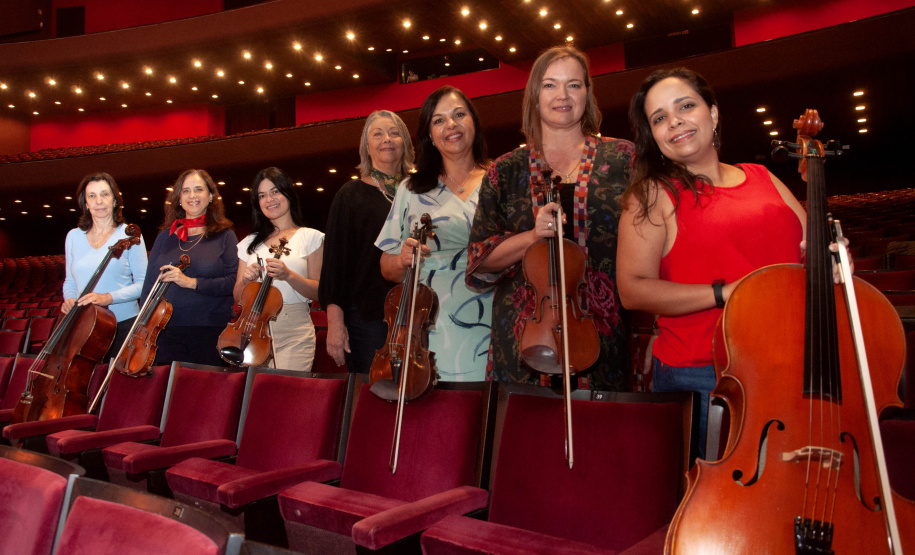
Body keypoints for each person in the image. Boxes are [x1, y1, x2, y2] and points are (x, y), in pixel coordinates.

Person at [616, 67, 806, 456]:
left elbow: (810, 250)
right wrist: (725, 293)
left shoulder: (763, 176)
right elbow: (632, 289)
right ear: (653, 135)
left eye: (685, 106)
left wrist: (835, 259)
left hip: (791, 359)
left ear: (713, 113)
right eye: (659, 118)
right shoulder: (652, 195)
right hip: (706, 372)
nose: (675, 122)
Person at [465, 46, 634, 390]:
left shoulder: (623, 158)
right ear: (534, 96)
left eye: (574, 85)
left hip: (605, 339)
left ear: (587, 93)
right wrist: (530, 237)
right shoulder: (505, 169)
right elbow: (479, 263)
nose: (563, 95)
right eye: (550, 85)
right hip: (523, 342)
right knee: (527, 438)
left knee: (600, 437)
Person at [376, 86, 493, 382]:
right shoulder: (410, 189)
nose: (450, 125)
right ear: (429, 135)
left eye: (458, 115)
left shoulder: (499, 180)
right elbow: (386, 267)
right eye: (438, 120)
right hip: (429, 324)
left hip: (494, 317)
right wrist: (402, 259)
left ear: (474, 123)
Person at [319, 110, 415, 373]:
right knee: (374, 399)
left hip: (418, 314)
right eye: (378, 134)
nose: (387, 139)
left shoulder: (421, 192)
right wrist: (336, 325)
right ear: (367, 146)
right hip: (367, 319)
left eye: (395, 133)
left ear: (405, 143)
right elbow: (334, 268)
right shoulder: (350, 195)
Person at [141, 169, 238, 367]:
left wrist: (191, 282)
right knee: (167, 395)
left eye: (198, 190)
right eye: (186, 191)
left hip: (209, 330)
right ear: (178, 198)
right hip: (165, 331)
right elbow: (149, 288)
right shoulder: (164, 237)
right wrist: (144, 327)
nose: (192, 196)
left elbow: (233, 283)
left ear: (210, 196)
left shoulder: (225, 236)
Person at [233, 167, 324, 371]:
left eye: (275, 192)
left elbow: (319, 290)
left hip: (294, 329)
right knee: (256, 398)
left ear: (288, 193)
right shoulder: (248, 244)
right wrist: (246, 281)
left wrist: (288, 275)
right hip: (254, 330)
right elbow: (238, 297)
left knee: (289, 396)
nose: (269, 200)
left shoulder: (311, 237)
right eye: (262, 195)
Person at [63, 172, 148, 361]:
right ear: (85, 203)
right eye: (92, 196)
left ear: (115, 200)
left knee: (117, 387)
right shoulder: (73, 237)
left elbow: (144, 285)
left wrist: (107, 298)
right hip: (84, 325)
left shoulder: (130, 236)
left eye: (105, 194)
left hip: (122, 325)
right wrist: (69, 299)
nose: (98, 201)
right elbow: (70, 281)